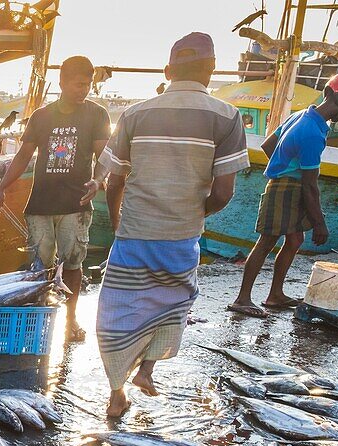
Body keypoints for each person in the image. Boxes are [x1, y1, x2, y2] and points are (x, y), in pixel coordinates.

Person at [88, 33, 247, 418]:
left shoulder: (136, 114)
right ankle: (147, 370)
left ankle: (116, 393)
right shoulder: (227, 117)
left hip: (135, 233)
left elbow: (113, 179)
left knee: (120, 310)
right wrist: (193, 213)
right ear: (210, 71)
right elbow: (224, 192)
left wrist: (116, 216)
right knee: (171, 305)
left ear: (167, 70)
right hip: (181, 236)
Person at [0, 55, 110, 341]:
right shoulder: (42, 117)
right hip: (41, 204)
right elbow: (23, 156)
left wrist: (98, 180)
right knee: (41, 267)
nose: (84, 90)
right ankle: (40, 322)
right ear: (63, 82)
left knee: (72, 264)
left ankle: (70, 320)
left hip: (76, 204)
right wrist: (2, 187)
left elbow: (104, 156)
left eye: (88, 85)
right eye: (79, 84)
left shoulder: (97, 114)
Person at [229, 70, 338, 318]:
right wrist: (319, 223)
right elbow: (310, 186)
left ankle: (275, 295)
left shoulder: (302, 116)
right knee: (266, 242)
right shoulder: (312, 133)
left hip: (288, 185)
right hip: (286, 190)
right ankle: (242, 299)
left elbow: (268, 144)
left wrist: (282, 163)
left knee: (294, 240)